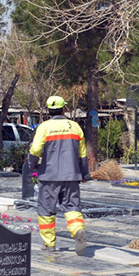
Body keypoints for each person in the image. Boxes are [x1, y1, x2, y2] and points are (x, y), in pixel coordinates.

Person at [28, 95, 90, 255]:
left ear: (49, 111)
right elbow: (83, 154)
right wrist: (85, 173)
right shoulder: (75, 127)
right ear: (64, 109)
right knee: (72, 207)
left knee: (46, 210)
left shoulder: (44, 127)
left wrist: (31, 166)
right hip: (72, 176)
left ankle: (49, 244)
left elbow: (35, 150)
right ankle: (77, 230)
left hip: (49, 177)